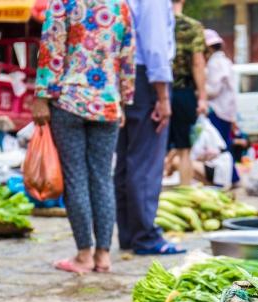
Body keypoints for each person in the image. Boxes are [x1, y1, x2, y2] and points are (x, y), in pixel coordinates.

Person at [31, 0, 135, 274]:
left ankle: (84, 255)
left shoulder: (63, 2)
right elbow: (127, 56)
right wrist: (124, 100)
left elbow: (51, 49)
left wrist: (41, 95)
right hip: (108, 102)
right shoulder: (120, 6)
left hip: (69, 101)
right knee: (102, 179)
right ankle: (103, 255)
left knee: (75, 178)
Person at [115, 1, 184, 255]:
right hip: (146, 77)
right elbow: (155, 46)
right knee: (145, 161)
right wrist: (162, 96)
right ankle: (144, 236)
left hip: (123, 74)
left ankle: (129, 234)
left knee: (126, 160)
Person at [169, 0, 207, 186]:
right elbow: (197, 63)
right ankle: (185, 190)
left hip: (154, 92)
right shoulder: (192, 27)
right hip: (183, 91)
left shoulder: (154, 24)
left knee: (153, 148)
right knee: (184, 149)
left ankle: (153, 195)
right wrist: (203, 97)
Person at [203, 29, 240, 186]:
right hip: (226, 110)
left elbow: (213, 90)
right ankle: (232, 176)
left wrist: (199, 90)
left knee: (220, 146)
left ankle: (227, 178)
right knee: (225, 144)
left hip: (217, 110)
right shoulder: (225, 61)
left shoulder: (214, 64)